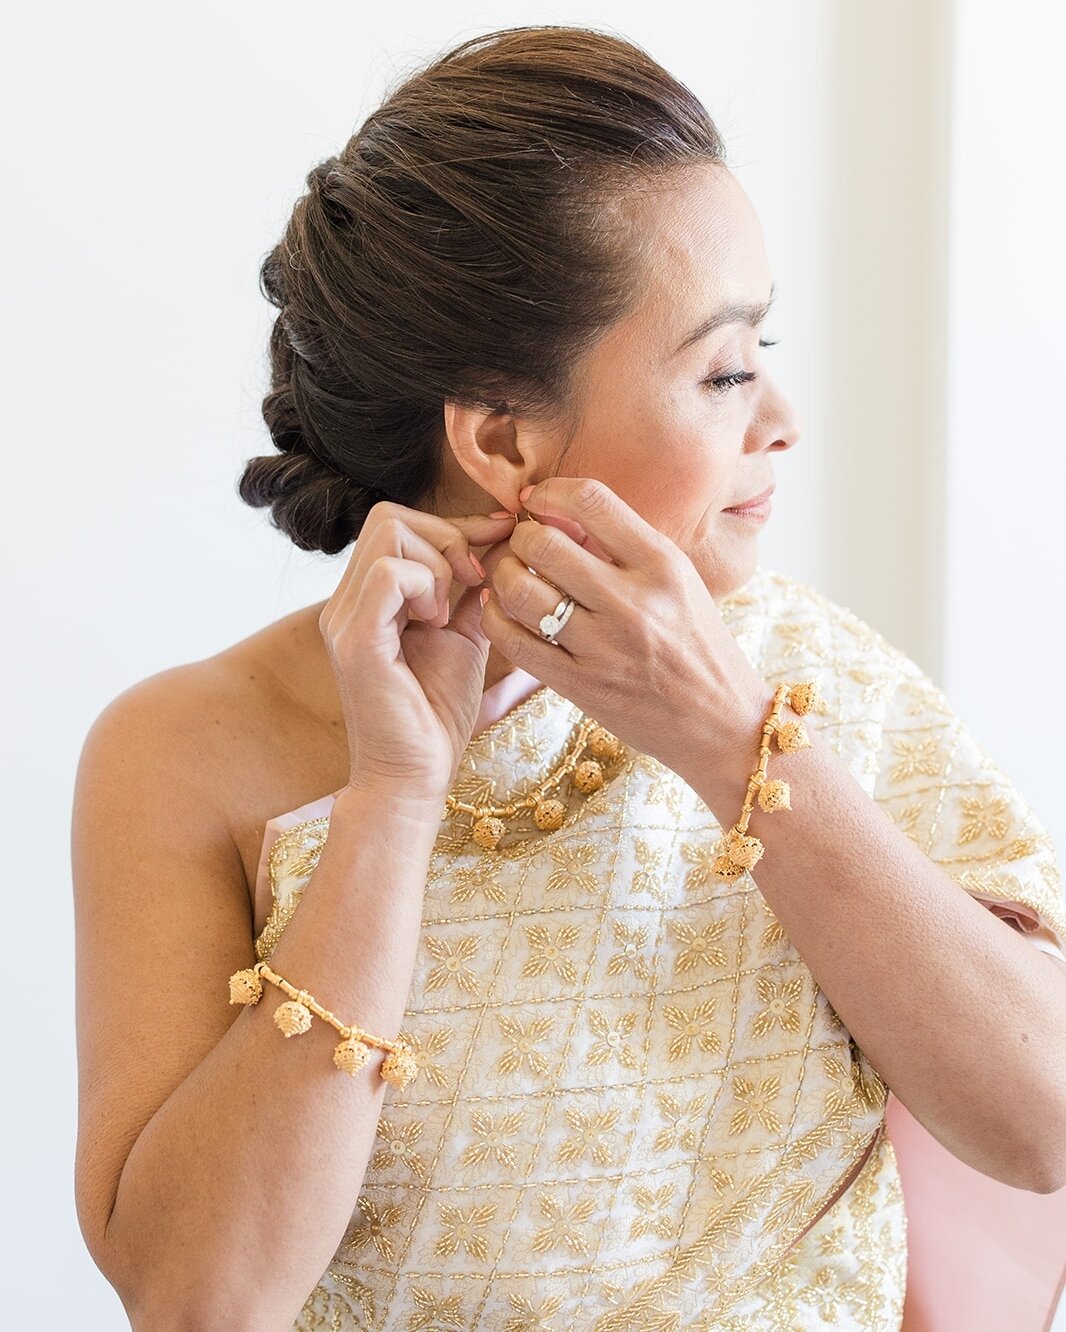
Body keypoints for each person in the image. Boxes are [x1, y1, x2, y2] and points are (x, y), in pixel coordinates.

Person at [70, 24, 1066, 1332]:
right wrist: (393, 797)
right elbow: (199, 1298)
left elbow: (1041, 1123)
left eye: (765, 350)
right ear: (498, 440)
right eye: (721, 367)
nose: (780, 417)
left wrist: (724, 737)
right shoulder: (189, 752)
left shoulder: (817, 678)